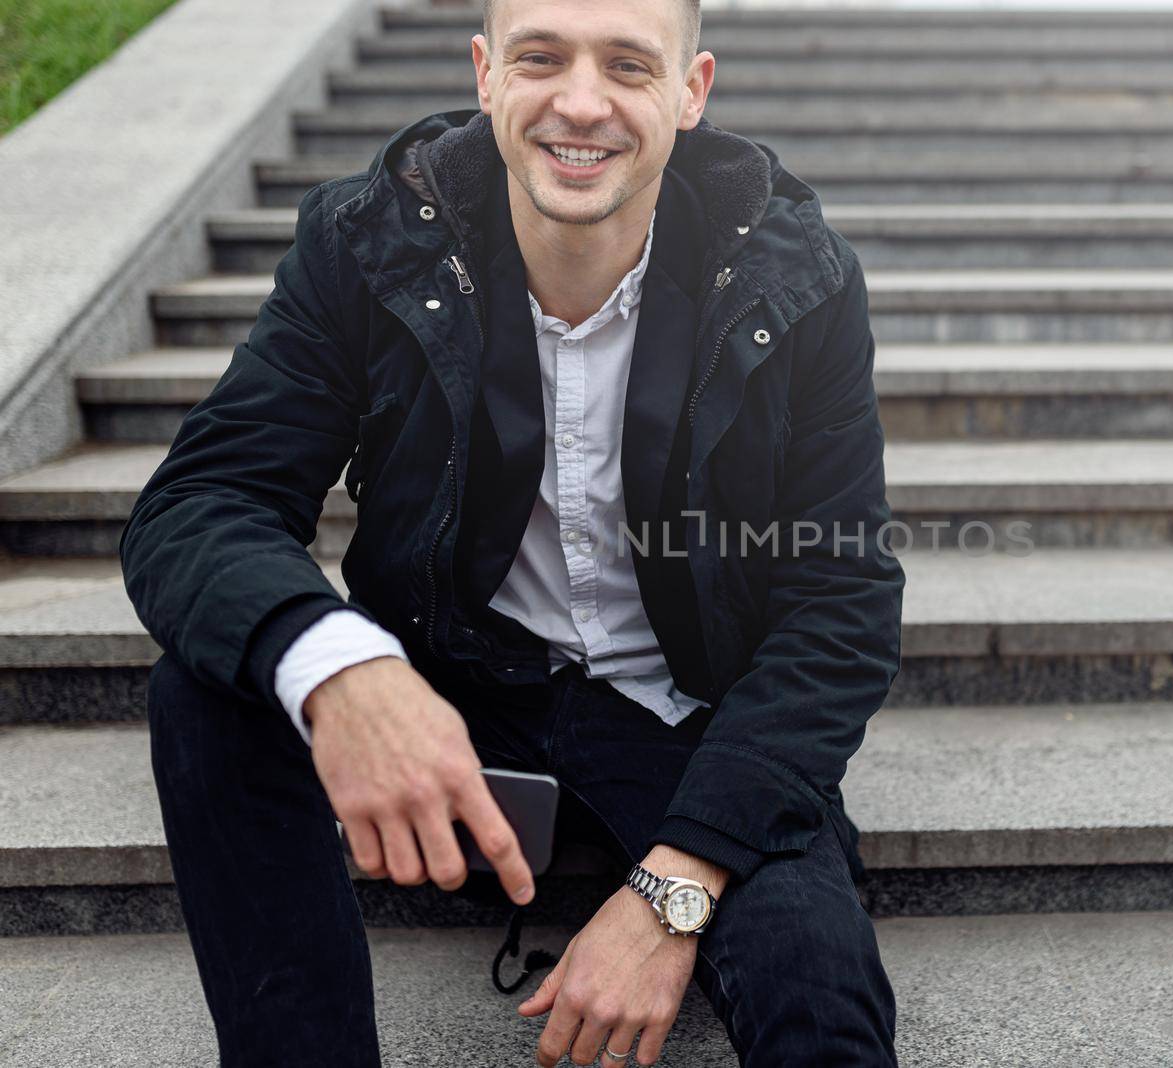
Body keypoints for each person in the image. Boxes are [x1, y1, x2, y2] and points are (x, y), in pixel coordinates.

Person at [120, 0, 904, 1063]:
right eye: (542, 57)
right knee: (209, 688)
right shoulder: (369, 242)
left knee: (822, 1006)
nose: (580, 102)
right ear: (486, 74)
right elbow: (201, 503)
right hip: (452, 691)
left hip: (686, 716)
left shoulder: (794, 276)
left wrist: (671, 892)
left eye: (628, 64)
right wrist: (349, 671)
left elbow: (839, 602)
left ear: (691, 91)